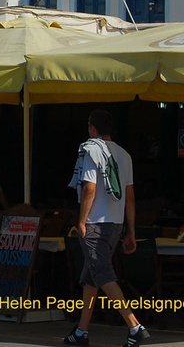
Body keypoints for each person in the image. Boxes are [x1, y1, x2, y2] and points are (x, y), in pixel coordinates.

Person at [64, 109, 148, 347]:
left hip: (95, 222)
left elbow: (89, 187)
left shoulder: (91, 149)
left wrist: (81, 220)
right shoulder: (124, 155)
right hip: (116, 223)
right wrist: (131, 230)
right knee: (93, 277)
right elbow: (130, 197)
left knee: (102, 272)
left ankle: (134, 326)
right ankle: (81, 332)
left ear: (92, 127)